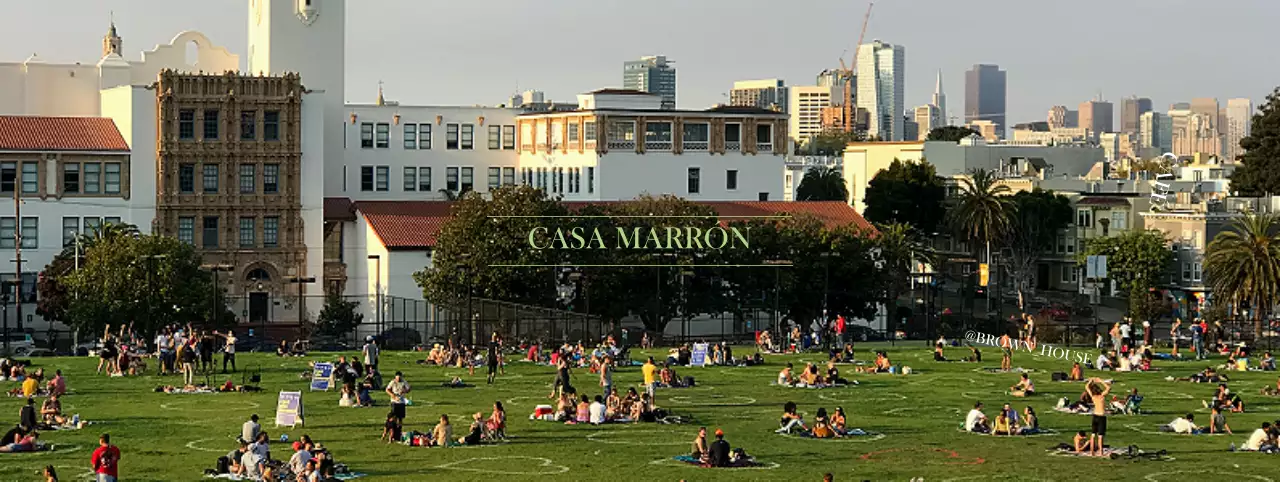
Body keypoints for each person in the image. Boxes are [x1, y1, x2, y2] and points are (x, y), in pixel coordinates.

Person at [1085, 378, 1111, 457]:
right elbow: (1108, 388)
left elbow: (1086, 387)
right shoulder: (1102, 396)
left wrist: (1090, 381)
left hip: (1095, 416)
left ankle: (1092, 452)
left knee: (1093, 435)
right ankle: (1101, 452)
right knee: (1100, 436)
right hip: (1101, 417)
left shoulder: (1093, 396)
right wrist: (1101, 381)